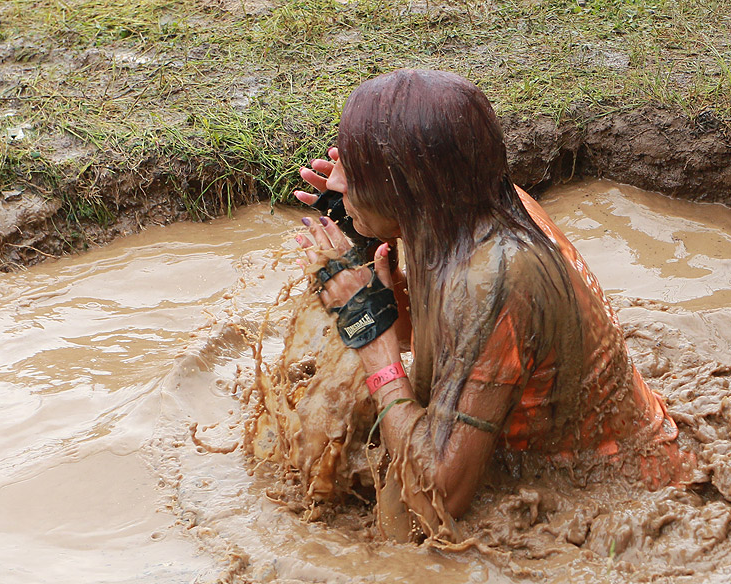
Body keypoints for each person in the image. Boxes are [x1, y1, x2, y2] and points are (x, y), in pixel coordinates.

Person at [293, 69, 692, 542]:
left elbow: (437, 501)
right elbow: (434, 338)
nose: (335, 176)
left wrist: (370, 338)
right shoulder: (455, 210)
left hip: (616, 499)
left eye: (353, 170)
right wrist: (368, 232)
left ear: (406, 185)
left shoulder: (496, 277)